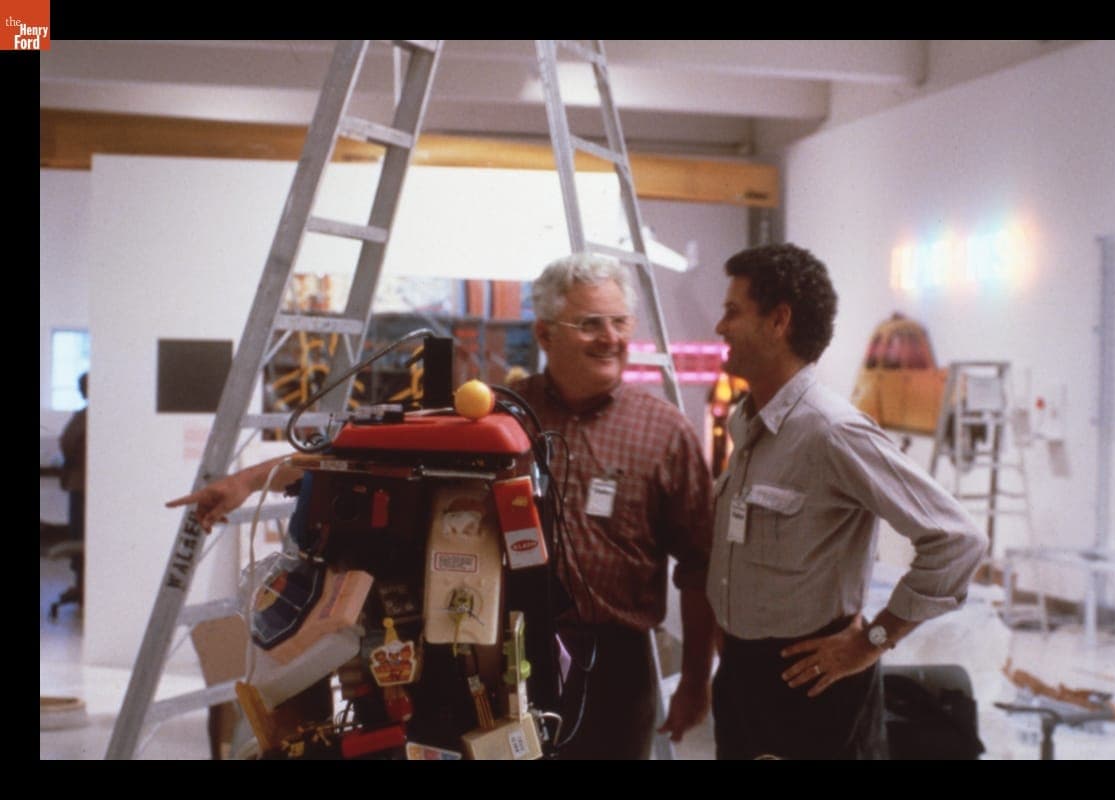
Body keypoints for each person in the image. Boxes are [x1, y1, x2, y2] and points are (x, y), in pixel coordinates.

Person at [167, 254, 716, 760]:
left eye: (621, 323)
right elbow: (361, 453)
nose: (611, 338)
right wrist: (245, 481)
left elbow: (699, 567)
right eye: (592, 323)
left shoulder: (662, 429)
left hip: (617, 664)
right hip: (499, 659)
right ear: (546, 333)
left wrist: (695, 680)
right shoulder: (496, 417)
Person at [706, 243, 987, 760]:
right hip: (743, 680)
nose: (721, 328)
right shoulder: (749, 425)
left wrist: (874, 638)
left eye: (733, 312)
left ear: (778, 321)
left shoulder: (831, 431)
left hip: (813, 687)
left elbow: (958, 540)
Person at [59, 372, 88, 543]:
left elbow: (68, 441)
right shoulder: (84, 414)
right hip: (80, 480)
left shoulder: (85, 415)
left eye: (81, 388)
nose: (79, 392)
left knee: (79, 531)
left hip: (81, 481)